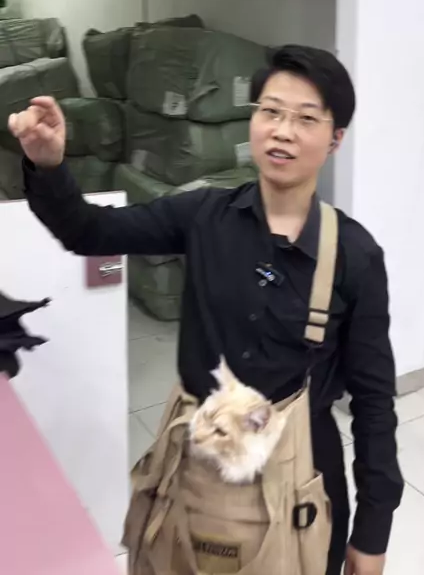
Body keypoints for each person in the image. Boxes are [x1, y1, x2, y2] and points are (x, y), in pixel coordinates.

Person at [9, 44, 403, 575]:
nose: (283, 131)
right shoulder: (204, 215)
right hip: (197, 464)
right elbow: (89, 232)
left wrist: (373, 533)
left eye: (306, 118)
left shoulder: (355, 255)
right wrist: (48, 164)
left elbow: (375, 402)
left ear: (335, 139)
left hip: (302, 474)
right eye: (270, 111)